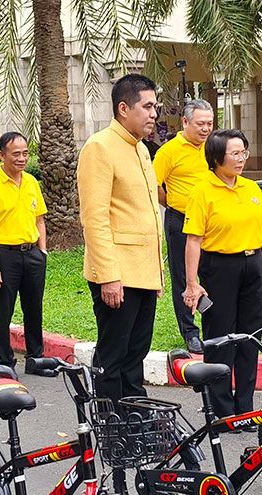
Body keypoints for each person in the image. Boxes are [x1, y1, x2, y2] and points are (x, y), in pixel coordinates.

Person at [181, 129, 262, 418]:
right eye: (234, 153)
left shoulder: (250, 188)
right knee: (222, 338)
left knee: (250, 338)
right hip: (219, 267)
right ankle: (222, 411)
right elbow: (193, 240)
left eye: (243, 152)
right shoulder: (202, 191)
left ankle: (245, 408)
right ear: (216, 158)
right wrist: (192, 283)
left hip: (253, 267)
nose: (241, 159)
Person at [78, 73, 164, 403]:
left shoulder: (141, 149)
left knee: (136, 354)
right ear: (124, 108)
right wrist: (109, 277)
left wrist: (156, 274)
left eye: (155, 106)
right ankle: (112, 424)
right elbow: (95, 218)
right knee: (113, 357)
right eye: (147, 106)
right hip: (118, 274)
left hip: (143, 272)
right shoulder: (100, 147)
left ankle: (134, 417)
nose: (154, 113)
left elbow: (146, 215)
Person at [0, 132, 53, 375]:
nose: (22, 158)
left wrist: (42, 251)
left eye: (25, 153)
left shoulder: (31, 182)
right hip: (4, 256)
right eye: (16, 154)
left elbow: (39, 219)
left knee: (34, 308)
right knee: (4, 309)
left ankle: (35, 359)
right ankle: (6, 361)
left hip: (32, 255)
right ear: (2, 155)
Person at [154, 99, 213, 354]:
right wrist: (175, 204)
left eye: (210, 124)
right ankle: (190, 331)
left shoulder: (213, 147)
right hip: (180, 221)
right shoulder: (169, 151)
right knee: (183, 278)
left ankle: (214, 326)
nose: (205, 129)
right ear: (186, 122)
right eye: (200, 124)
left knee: (212, 272)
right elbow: (154, 185)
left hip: (211, 223)